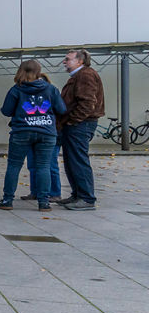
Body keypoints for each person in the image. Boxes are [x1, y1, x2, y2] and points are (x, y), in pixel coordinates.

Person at [0, 59, 66, 212]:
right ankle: (44, 203)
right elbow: (61, 109)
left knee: (14, 166)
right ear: (38, 71)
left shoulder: (16, 90)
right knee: (44, 166)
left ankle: (7, 200)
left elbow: (6, 111)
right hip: (46, 133)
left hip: (21, 132)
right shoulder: (51, 89)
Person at [57, 48, 105, 210]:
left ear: (80, 61)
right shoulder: (80, 75)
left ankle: (86, 198)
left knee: (78, 160)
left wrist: (73, 121)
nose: (64, 61)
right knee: (72, 161)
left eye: (68, 59)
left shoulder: (85, 75)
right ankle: (78, 195)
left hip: (80, 125)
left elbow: (87, 103)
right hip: (78, 124)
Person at [22, 72, 62, 203]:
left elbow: (61, 111)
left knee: (50, 165)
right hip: (35, 132)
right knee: (33, 164)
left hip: (49, 134)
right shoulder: (30, 95)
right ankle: (36, 192)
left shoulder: (51, 94)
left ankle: (54, 193)